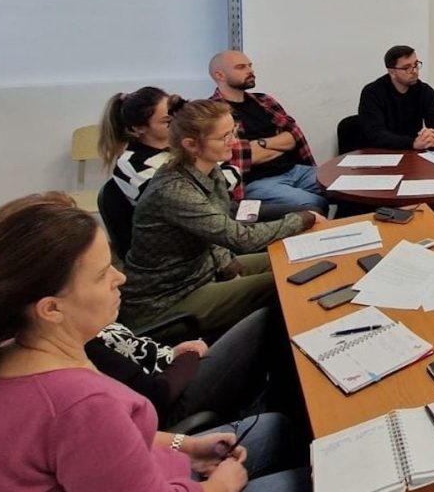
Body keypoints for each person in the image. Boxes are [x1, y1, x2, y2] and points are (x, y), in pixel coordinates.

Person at [0, 197, 309, 491]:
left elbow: (111, 443)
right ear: (51, 309)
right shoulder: (81, 403)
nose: (120, 278)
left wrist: (185, 446)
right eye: (102, 274)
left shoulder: (7, 354)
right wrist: (218, 487)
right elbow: (98, 432)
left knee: (276, 428)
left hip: (160, 468)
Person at [121, 99, 323, 336]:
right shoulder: (173, 191)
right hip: (169, 298)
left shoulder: (209, 169)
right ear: (191, 144)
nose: (234, 142)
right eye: (224, 137)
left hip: (204, 270)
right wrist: (303, 219)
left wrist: (227, 264)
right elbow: (241, 238)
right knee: (287, 281)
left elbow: (216, 224)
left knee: (298, 260)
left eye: (233, 132)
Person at [209, 50, 330, 214]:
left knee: (342, 186)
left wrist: (259, 145)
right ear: (219, 75)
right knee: (314, 203)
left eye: (250, 66)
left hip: (294, 170)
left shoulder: (264, 101)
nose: (250, 71)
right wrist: (277, 146)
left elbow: (292, 137)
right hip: (257, 182)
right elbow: (236, 156)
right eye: (241, 67)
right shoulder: (213, 113)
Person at [99, 86, 240, 204]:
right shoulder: (130, 163)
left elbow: (233, 172)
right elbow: (178, 199)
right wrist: (213, 182)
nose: (179, 123)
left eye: (177, 116)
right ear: (139, 128)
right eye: (167, 121)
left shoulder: (184, 145)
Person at [358, 45, 434, 149]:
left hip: (413, 153)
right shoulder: (372, 93)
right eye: (407, 68)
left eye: (416, 65)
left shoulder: (424, 90)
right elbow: (376, 134)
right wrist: (412, 143)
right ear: (392, 72)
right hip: (381, 153)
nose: (414, 71)